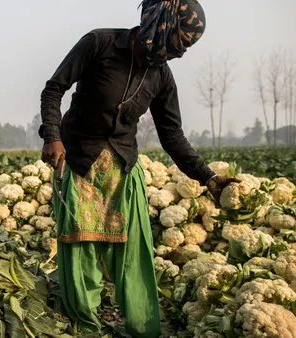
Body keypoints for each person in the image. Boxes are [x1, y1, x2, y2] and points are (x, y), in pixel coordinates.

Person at [38, 0, 238, 336]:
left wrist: (209, 177)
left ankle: (143, 330)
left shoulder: (161, 76)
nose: (180, 52)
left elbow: (172, 136)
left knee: (133, 257)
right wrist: (52, 136)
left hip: (122, 175)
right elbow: (54, 88)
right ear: (161, 24)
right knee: (80, 255)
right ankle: (84, 328)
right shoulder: (100, 43)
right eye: (181, 41)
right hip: (79, 165)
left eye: (187, 46)